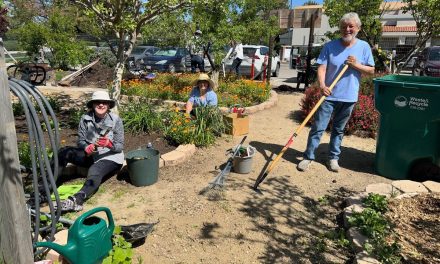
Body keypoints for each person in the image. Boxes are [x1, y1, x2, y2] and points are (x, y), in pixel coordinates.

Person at [297, 12, 375, 173]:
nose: (347, 29)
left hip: (349, 96)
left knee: (338, 130)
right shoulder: (330, 46)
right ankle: (308, 156)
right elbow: (322, 67)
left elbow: (371, 70)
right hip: (329, 94)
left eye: (351, 26)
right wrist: (323, 85)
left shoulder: (364, 47)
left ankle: (333, 158)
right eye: (343, 26)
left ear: (358, 28)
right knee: (318, 127)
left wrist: (356, 65)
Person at [56, 91, 124, 212]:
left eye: (104, 103)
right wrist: (86, 147)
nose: (101, 105)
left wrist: (109, 144)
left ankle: (77, 200)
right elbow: (81, 141)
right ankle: (46, 186)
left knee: (95, 170)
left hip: (111, 157)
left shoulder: (115, 120)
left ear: (108, 105)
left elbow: (119, 146)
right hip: (91, 155)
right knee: (64, 151)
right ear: (93, 104)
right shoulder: (85, 118)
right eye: (98, 102)